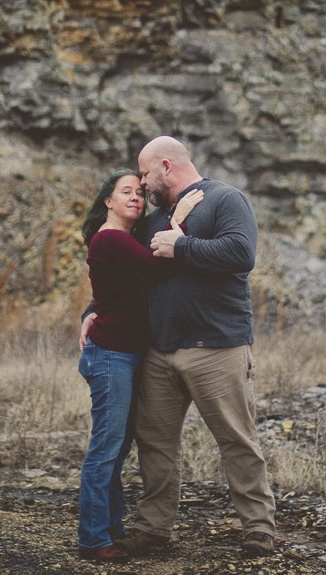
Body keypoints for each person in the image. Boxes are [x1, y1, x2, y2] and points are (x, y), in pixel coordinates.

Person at [115, 135, 279, 559]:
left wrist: (181, 245)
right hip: (160, 350)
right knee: (154, 443)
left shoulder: (225, 199)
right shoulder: (154, 219)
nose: (143, 182)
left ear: (166, 166)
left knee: (237, 440)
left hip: (217, 347)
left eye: (146, 173)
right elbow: (129, 275)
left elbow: (242, 254)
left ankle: (258, 528)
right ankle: (153, 528)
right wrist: (93, 313)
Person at [75, 169, 203, 563]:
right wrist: (180, 216)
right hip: (110, 355)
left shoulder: (121, 241)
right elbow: (157, 265)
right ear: (108, 203)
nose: (135, 197)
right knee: (106, 449)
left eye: (138, 192)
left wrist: (91, 311)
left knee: (117, 447)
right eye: (124, 192)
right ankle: (93, 539)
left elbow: (119, 292)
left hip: (125, 355)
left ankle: (110, 526)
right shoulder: (111, 238)